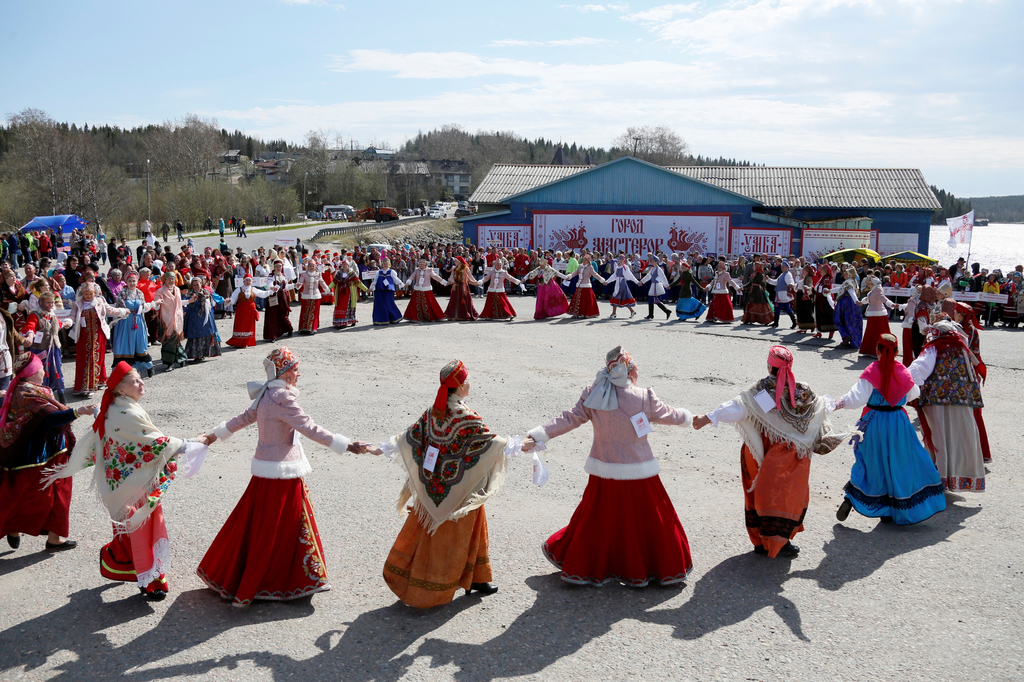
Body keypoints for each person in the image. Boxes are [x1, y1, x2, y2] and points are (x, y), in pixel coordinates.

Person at [200, 347, 375, 607]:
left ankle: (252, 576)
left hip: (265, 469)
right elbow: (310, 428)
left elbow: (246, 417)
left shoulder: (267, 394)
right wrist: (346, 444)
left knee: (258, 524)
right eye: (295, 369)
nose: (298, 373)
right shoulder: (283, 398)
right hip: (283, 471)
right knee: (283, 525)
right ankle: (286, 578)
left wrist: (214, 435)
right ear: (283, 372)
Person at [523, 347, 694, 586]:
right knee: (650, 520)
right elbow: (670, 415)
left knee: (597, 519)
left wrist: (540, 435)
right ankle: (651, 568)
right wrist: (690, 418)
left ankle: (587, 566)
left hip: (604, 467)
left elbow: (569, 418)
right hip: (640, 469)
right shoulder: (644, 396)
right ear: (631, 369)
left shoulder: (593, 394)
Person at [46, 362, 208, 600]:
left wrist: (93, 412)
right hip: (135, 485)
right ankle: (152, 581)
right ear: (121, 389)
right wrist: (194, 443)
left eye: (140, 378)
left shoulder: (115, 407)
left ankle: (124, 564)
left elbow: (109, 423)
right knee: (143, 530)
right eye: (135, 380)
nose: (142, 383)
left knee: (132, 531)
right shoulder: (127, 412)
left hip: (124, 485)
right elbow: (157, 443)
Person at [381, 360, 523, 607]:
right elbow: (491, 443)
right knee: (453, 535)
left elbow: (411, 437)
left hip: (433, 487)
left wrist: (386, 446)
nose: (469, 383)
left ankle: (477, 577)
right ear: (459, 385)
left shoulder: (432, 411)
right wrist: (520, 444)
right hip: (458, 490)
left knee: (440, 528)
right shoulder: (466, 416)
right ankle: (432, 587)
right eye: (467, 380)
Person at [693, 346, 844, 558]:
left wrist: (706, 418)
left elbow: (737, 408)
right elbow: (821, 407)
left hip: (758, 451)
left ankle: (760, 540)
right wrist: (841, 402)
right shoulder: (803, 392)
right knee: (786, 497)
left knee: (756, 494)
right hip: (790, 454)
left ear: (769, 366)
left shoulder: (761, 392)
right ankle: (780, 541)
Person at [833, 334, 945, 525]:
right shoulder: (902, 371)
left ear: (877, 350)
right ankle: (892, 508)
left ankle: (851, 498)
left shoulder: (871, 371)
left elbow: (855, 398)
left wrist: (836, 404)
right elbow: (913, 393)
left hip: (874, 422)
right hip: (898, 423)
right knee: (899, 464)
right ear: (897, 352)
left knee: (869, 463)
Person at [0, 353, 96, 552]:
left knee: (58, 494)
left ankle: (54, 537)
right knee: (30, 496)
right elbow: (50, 419)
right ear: (32, 372)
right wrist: (79, 411)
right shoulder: (28, 393)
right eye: (41, 367)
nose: (44, 370)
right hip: (35, 456)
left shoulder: (33, 389)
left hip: (52, 449)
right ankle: (15, 528)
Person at [908, 317, 986, 492]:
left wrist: (902, 388)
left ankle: (938, 480)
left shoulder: (934, 348)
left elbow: (917, 370)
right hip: (962, 401)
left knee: (939, 440)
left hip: (936, 401)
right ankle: (957, 479)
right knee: (959, 440)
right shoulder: (962, 349)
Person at [69, 283, 127, 396]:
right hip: (83, 337)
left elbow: (110, 310)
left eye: (90, 294)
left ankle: (91, 386)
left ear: (94, 293)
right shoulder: (78, 304)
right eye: (86, 294)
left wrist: (122, 311)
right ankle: (86, 384)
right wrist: (68, 322)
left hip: (98, 335)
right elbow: (72, 316)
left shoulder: (100, 301)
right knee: (84, 359)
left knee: (95, 358)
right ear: (82, 294)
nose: (89, 296)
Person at [21, 291, 73, 403]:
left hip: (54, 349)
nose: (50, 305)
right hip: (40, 349)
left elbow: (57, 324)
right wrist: (30, 336)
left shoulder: (51, 314)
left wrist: (65, 324)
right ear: (41, 303)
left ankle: (61, 398)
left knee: (57, 370)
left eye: (52, 302)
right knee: (41, 373)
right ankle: (42, 399)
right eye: (48, 303)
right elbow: (30, 326)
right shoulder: (35, 314)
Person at [111, 272, 156, 377]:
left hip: (138, 322)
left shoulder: (140, 293)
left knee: (140, 344)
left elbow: (144, 306)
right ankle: (122, 370)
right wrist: (124, 310)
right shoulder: (122, 293)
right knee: (124, 345)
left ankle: (148, 366)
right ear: (126, 282)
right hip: (125, 322)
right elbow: (118, 308)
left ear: (137, 282)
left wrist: (154, 304)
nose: (132, 283)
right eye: (130, 281)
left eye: (134, 281)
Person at [153, 272, 187, 369]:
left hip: (177, 319)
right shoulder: (160, 291)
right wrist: (157, 303)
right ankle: (169, 363)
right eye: (169, 278)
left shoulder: (176, 289)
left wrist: (189, 301)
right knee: (168, 341)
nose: (171, 280)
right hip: (166, 319)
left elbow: (179, 303)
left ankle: (180, 358)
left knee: (175, 340)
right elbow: (156, 305)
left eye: (172, 278)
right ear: (165, 280)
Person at [183, 278, 222, 362]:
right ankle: (197, 356)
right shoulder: (190, 295)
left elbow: (211, 304)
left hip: (206, 317)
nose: (196, 286)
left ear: (201, 284)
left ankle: (205, 353)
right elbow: (188, 306)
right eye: (194, 285)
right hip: (195, 319)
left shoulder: (206, 293)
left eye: (197, 284)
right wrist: (192, 301)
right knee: (196, 337)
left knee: (207, 335)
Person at [228, 275, 271, 347]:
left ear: (251, 281)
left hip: (250, 311)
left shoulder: (253, 289)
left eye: (249, 280)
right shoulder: (239, 289)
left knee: (249, 325)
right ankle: (239, 341)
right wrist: (229, 300)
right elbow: (233, 299)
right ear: (244, 281)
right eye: (246, 280)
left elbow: (263, 294)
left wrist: (271, 291)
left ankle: (247, 341)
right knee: (241, 325)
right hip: (241, 311)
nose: (248, 282)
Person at [566, 254, 605, 319]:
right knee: (577, 300)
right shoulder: (580, 266)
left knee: (586, 300)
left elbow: (595, 274)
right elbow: (575, 272)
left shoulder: (590, 267)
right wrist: (569, 276)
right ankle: (576, 313)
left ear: (588, 261)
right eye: (583, 260)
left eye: (585, 260)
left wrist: (602, 280)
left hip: (586, 285)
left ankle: (585, 313)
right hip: (579, 285)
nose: (584, 261)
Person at [263, 260, 294, 341]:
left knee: (283, 314)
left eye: (280, 266)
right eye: (277, 266)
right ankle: (273, 335)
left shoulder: (283, 275)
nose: (278, 268)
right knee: (272, 315)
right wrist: (272, 287)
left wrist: (294, 285)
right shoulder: (271, 275)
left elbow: (286, 287)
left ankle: (289, 329)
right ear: (274, 267)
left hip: (282, 297)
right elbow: (268, 284)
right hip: (274, 297)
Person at [295, 260, 329, 334]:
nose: (311, 267)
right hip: (306, 295)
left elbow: (322, 282)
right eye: (310, 266)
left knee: (314, 312)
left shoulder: (318, 274)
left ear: (315, 267)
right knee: (305, 312)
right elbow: (300, 282)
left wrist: (327, 289)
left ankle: (312, 328)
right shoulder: (304, 274)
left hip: (316, 296)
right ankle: (304, 328)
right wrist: (298, 285)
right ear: (308, 267)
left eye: (313, 266)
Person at [332, 258, 367, 328]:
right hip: (340, 293)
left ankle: (349, 321)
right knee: (340, 306)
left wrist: (366, 289)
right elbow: (334, 282)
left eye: (345, 264)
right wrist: (328, 288)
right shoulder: (339, 273)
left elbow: (358, 282)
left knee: (349, 306)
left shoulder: (352, 273)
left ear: (348, 265)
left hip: (349, 294)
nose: (344, 265)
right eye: (343, 264)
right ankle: (340, 322)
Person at [370, 258, 404, 326]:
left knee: (389, 305)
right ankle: (381, 320)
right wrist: (371, 288)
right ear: (382, 264)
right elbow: (375, 281)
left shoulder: (392, 272)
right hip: (379, 291)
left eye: (387, 264)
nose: (385, 265)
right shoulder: (378, 272)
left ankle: (394, 318)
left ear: (389, 264)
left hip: (388, 291)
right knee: (380, 306)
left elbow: (396, 279)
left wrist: (401, 284)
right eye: (384, 264)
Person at [833, 274, 863, 349]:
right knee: (852, 322)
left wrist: (856, 300)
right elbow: (841, 288)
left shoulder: (848, 282)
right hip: (852, 303)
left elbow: (851, 291)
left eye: (846, 273)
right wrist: (829, 291)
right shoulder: (853, 281)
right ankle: (852, 340)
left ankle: (845, 335)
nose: (844, 274)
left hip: (846, 303)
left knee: (839, 320)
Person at [767, 260, 797, 329]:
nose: (782, 268)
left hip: (783, 294)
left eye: (783, 267)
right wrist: (768, 280)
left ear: (787, 267)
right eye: (782, 267)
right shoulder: (782, 274)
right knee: (784, 308)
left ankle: (777, 323)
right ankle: (777, 322)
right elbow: (776, 282)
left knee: (779, 308)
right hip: (781, 294)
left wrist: (791, 284)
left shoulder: (787, 274)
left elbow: (791, 282)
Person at [813, 263, 837, 340]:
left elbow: (826, 289)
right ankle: (819, 332)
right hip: (820, 298)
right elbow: (817, 287)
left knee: (828, 315)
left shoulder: (827, 278)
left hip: (825, 299)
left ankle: (831, 331)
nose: (820, 271)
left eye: (822, 270)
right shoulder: (822, 278)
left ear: (826, 271)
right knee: (819, 315)